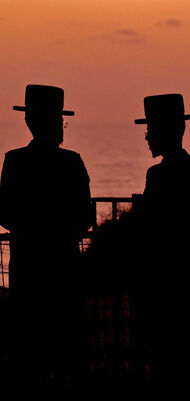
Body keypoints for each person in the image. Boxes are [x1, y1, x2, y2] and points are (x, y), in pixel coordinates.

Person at [0, 84, 92, 383]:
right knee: (68, 349)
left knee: (29, 351)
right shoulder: (72, 162)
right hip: (65, 268)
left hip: (26, 268)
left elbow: (5, 215)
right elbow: (85, 218)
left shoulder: (14, 161)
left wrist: (31, 229)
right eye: (59, 121)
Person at [134, 93, 190, 384]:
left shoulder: (157, 175)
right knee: (186, 349)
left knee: (162, 353)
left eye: (150, 131)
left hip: (161, 277)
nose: (147, 139)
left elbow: (150, 228)